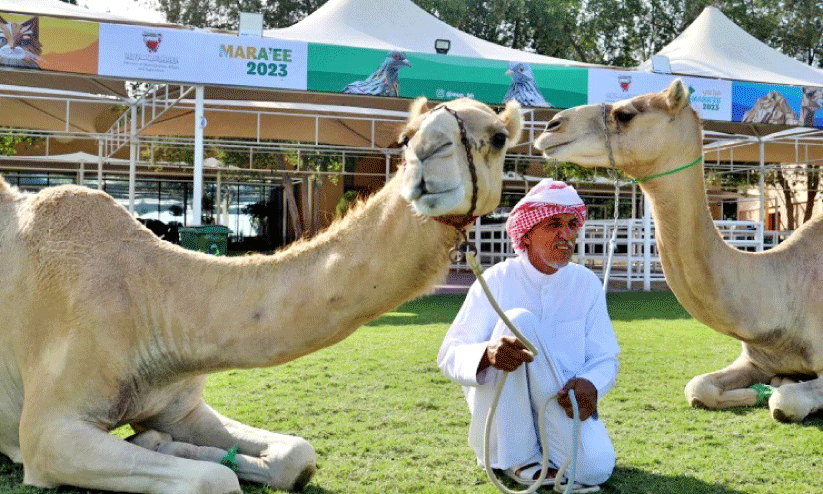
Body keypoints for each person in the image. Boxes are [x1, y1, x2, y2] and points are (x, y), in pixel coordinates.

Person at [437, 178, 619, 488]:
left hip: (559, 402)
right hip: (505, 421)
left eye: (572, 224)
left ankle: (546, 458)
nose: (566, 234)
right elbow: (450, 354)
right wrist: (487, 354)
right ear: (527, 233)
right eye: (553, 224)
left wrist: (592, 383)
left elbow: (606, 357)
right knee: (519, 320)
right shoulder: (497, 280)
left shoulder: (586, 284)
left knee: (595, 469)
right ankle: (517, 458)